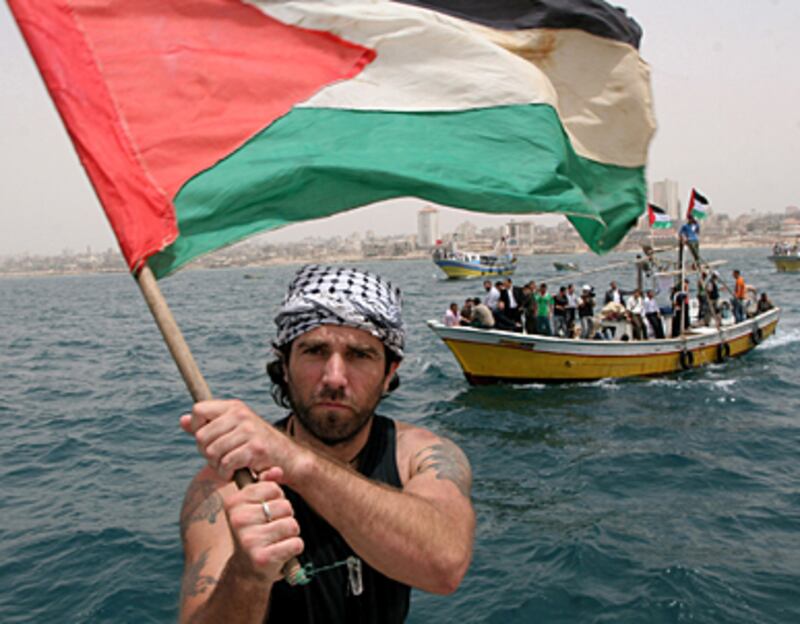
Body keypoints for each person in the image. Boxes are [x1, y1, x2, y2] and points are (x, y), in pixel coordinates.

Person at [178, 265, 475, 623]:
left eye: (360, 355)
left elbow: (446, 566)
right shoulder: (227, 486)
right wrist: (246, 574)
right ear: (284, 365)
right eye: (315, 351)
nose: (334, 378)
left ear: (389, 373)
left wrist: (299, 465)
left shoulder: (419, 455)